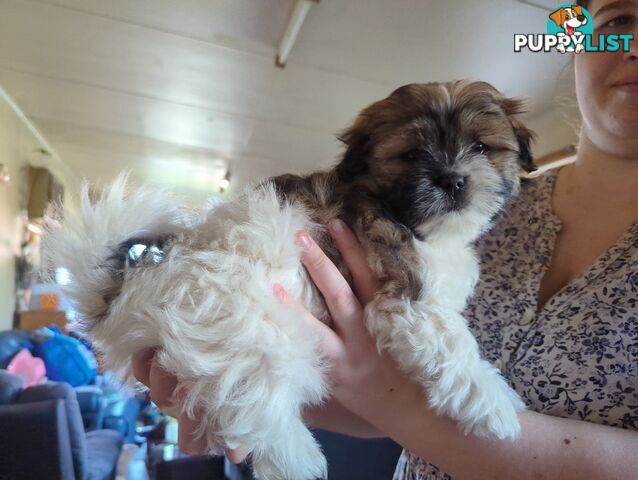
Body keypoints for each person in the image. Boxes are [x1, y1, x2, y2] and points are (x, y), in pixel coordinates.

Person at [132, 0, 637, 477]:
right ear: (576, 39)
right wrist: (283, 384)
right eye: (617, 21)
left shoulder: (473, 203)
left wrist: (388, 397)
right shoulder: (481, 217)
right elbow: (385, 398)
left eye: (481, 148)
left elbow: (396, 399)